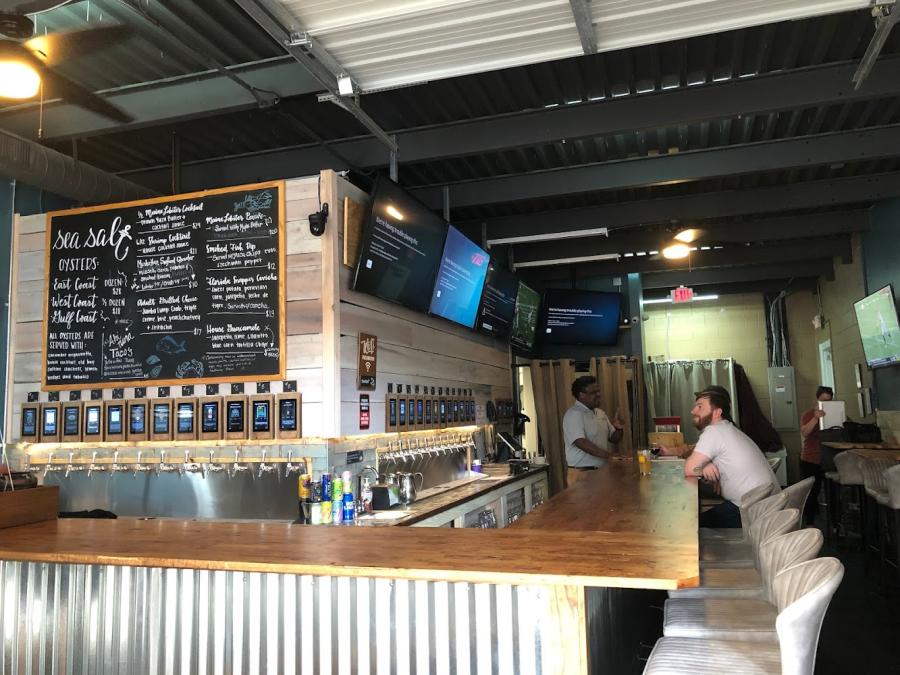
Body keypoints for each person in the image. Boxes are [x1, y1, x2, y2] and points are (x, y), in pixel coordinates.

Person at [676, 387, 780, 528]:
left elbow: (689, 469)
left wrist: (703, 465)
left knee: (687, 526)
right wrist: (706, 464)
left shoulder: (714, 431)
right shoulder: (727, 428)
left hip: (751, 514)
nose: (693, 411)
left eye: (700, 406)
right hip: (767, 509)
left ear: (717, 413)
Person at [563, 376, 624, 486]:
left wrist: (619, 428)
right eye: (593, 392)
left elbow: (614, 438)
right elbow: (580, 442)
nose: (598, 395)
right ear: (581, 395)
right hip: (582, 474)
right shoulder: (573, 414)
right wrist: (609, 456)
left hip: (602, 471)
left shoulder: (600, 413)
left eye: (598, 391)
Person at [799, 385, 833, 525]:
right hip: (811, 458)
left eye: (829, 401)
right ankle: (809, 521)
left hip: (830, 458)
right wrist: (815, 418)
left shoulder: (836, 412)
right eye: (823, 401)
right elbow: (805, 433)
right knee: (811, 492)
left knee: (832, 491)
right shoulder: (808, 414)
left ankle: (834, 522)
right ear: (817, 400)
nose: (826, 404)